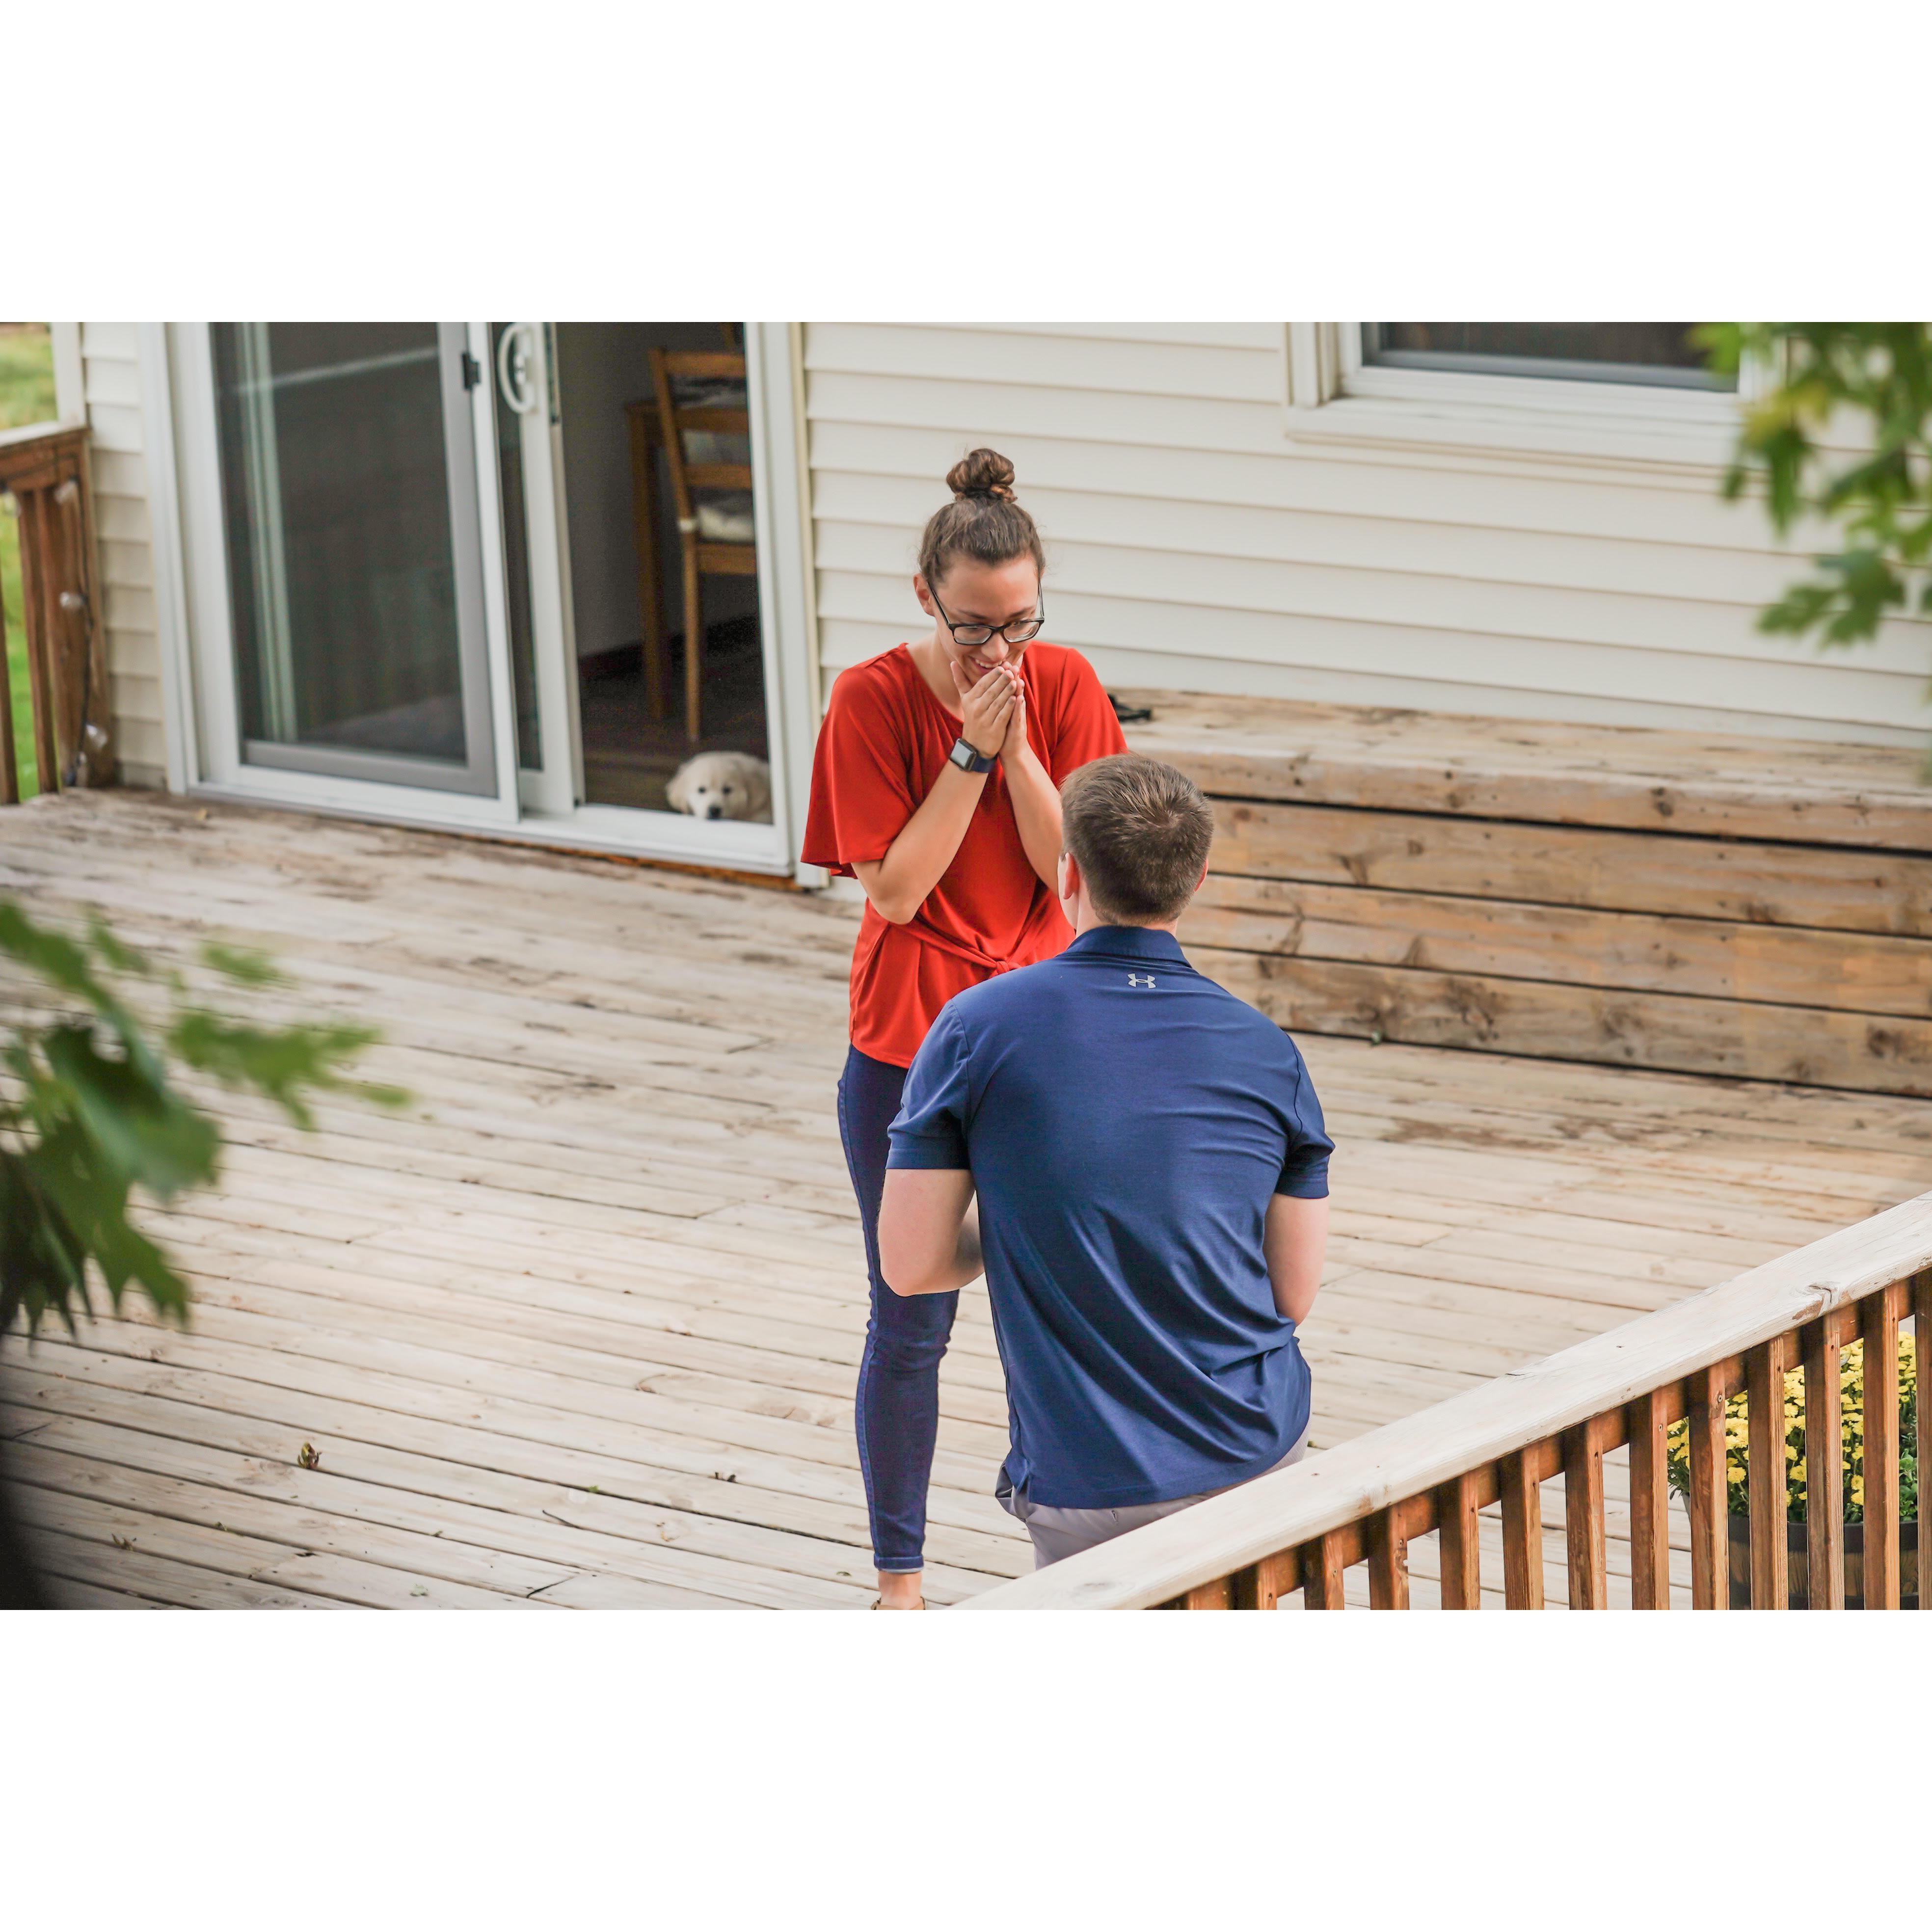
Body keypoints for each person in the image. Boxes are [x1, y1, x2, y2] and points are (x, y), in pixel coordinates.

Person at [801, 448, 1128, 1609]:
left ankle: (1101, 1549)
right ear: (925, 598)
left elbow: (1071, 880)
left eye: (1023, 624)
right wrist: (969, 753)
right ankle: (900, 1583)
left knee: (1071, 1305)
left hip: (1045, 1040)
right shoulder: (870, 698)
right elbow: (893, 891)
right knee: (913, 1316)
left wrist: (1028, 749)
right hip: (911, 1046)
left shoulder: (1070, 685)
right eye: (978, 627)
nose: (1003, 652)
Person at [876, 754, 1332, 1569]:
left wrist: (1028, 1216)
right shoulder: (1269, 1052)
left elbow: (911, 1268)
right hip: (1262, 1453)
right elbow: (1292, 1293)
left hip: (1095, 1480)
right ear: (1195, 881)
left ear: (1067, 875)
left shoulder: (974, 1028)